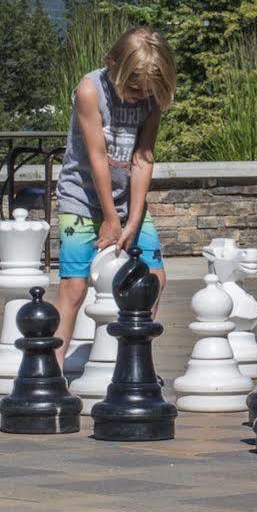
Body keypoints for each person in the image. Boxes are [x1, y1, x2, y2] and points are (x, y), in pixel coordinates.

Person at [54, 26, 176, 336]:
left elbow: (143, 157)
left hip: (127, 199)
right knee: (75, 287)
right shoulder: (89, 91)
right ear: (113, 65)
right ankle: (50, 371)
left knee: (154, 278)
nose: (140, 99)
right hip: (80, 198)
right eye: (135, 91)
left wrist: (133, 220)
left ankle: (135, 362)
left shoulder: (152, 100)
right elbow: (97, 158)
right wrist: (110, 217)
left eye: (147, 94)